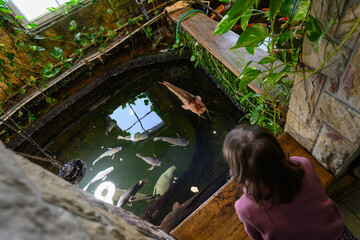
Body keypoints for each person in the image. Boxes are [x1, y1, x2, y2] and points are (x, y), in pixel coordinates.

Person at [222, 124, 355, 240]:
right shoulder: (303, 164)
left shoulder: (244, 207)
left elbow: (257, 237)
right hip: (338, 234)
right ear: (275, 147)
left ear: (239, 170)